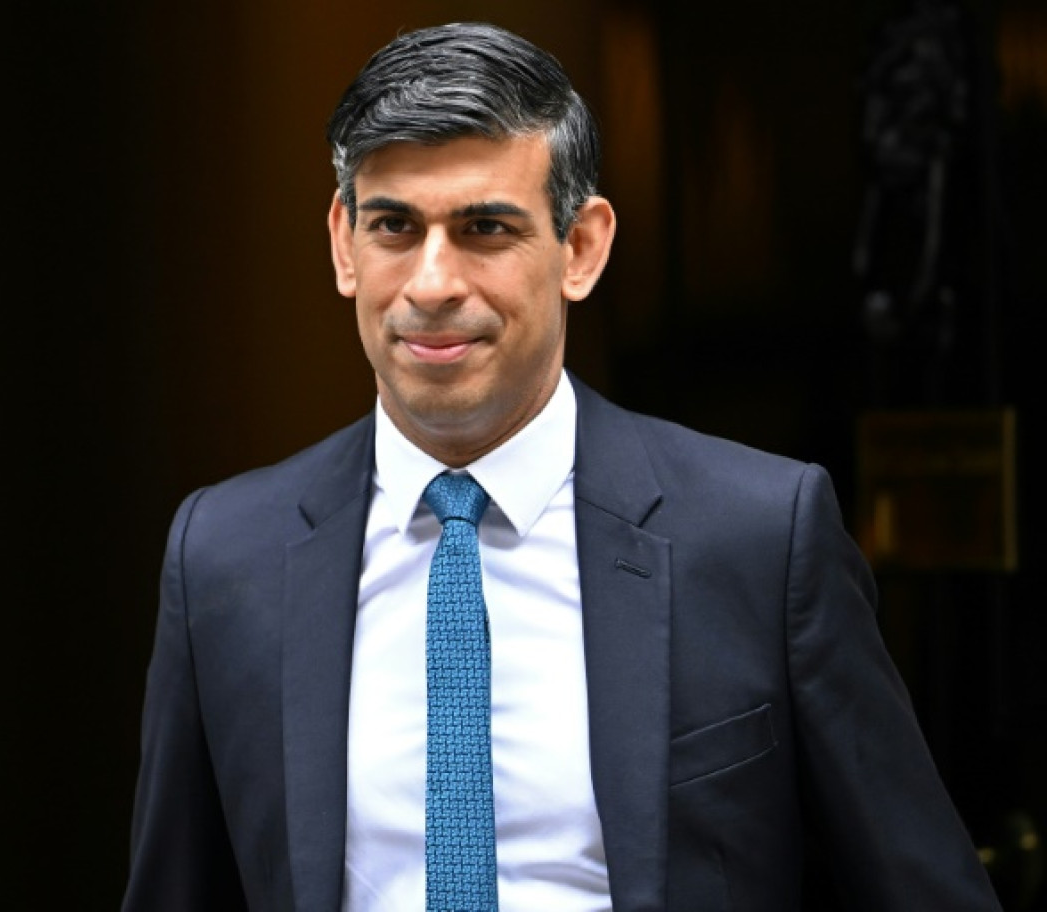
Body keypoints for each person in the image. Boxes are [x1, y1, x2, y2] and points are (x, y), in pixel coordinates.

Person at [120, 21, 1002, 912]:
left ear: (581, 247)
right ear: (345, 244)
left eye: (484, 228)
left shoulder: (760, 537)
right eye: (394, 225)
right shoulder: (224, 557)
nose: (431, 283)